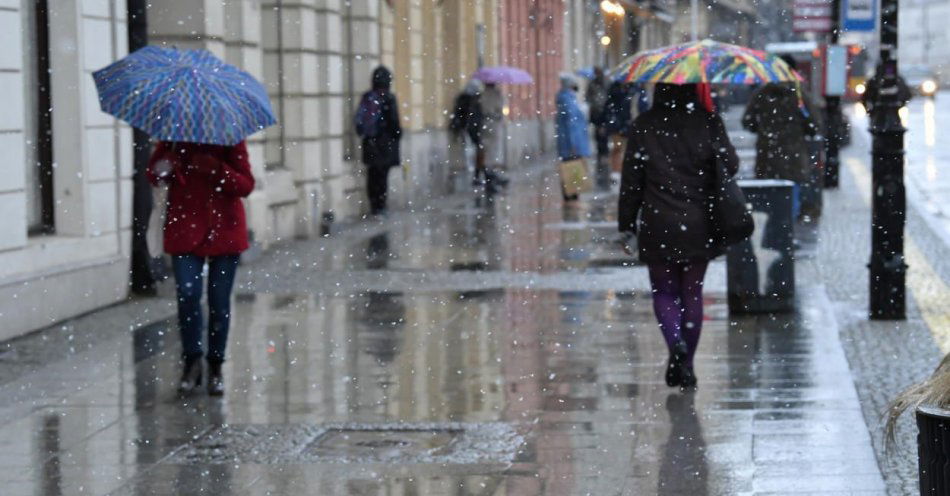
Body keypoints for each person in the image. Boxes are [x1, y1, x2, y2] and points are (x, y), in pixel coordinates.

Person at [618, 84, 740, 390]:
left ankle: (675, 344)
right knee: (692, 293)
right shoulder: (707, 121)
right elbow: (731, 165)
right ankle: (686, 364)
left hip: (658, 222)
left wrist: (626, 223)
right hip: (698, 221)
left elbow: (631, 180)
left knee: (663, 291)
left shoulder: (644, 125)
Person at [147, 140, 255, 396]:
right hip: (185, 228)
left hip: (224, 230)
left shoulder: (231, 138)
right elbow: (153, 174)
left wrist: (216, 169)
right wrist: (168, 165)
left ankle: (216, 365)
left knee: (219, 302)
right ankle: (191, 362)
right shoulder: (174, 138)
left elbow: (245, 184)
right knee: (188, 294)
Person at [742, 82, 820, 221]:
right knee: (791, 197)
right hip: (793, 157)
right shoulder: (799, 95)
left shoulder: (762, 93)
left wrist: (763, 128)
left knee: (769, 201)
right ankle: (788, 232)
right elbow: (813, 124)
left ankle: (774, 233)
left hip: (767, 157)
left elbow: (747, 121)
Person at [355, 66, 402, 216]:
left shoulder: (368, 97)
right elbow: (394, 122)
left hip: (370, 142)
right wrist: (397, 134)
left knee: (372, 174)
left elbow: (359, 121)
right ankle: (380, 206)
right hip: (385, 142)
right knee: (382, 176)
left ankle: (374, 205)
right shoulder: (389, 97)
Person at [555, 73, 592, 200]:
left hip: (568, 141)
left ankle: (571, 193)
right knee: (572, 167)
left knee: (571, 167)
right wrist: (574, 144)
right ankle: (571, 195)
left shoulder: (567, 98)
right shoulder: (567, 100)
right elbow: (572, 124)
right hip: (571, 143)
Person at [479, 82, 509, 188]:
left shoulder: (482, 94)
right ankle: (490, 176)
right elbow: (501, 108)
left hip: (484, 123)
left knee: (486, 148)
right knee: (492, 150)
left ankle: (488, 175)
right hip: (494, 124)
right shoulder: (497, 94)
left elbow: (481, 107)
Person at [604, 81, 634, 177]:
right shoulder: (615, 92)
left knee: (625, 150)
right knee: (617, 150)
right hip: (617, 127)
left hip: (625, 126)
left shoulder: (630, 91)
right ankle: (616, 172)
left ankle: (621, 171)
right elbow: (609, 109)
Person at [586, 67, 611, 182]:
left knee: (603, 140)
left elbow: (606, 100)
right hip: (598, 115)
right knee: (600, 139)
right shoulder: (594, 84)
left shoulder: (604, 84)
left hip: (602, 115)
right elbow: (589, 98)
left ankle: (603, 157)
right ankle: (602, 157)